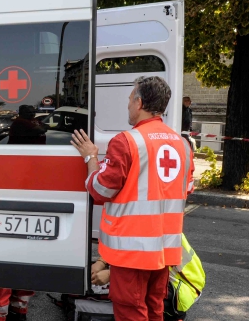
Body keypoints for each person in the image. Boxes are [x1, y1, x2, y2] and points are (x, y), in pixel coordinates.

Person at [70, 76, 195, 321]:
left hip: (132, 252)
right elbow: (185, 189)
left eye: (129, 99)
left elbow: (100, 190)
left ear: (139, 103)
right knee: (154, 309)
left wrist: (90, 158)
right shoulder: (182, 145)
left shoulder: (127, 142)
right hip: (164, 250)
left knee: (131, 312)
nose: (127, 105)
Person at [91, 234, 206, 321]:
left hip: (179, 292)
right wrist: (101, 262)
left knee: (131, 301)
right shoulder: (155, 214)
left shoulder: (142, 219)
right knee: (152, 306)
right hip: (185, 283)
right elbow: (129, 241)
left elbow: (142, 255)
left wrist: (112, 274)